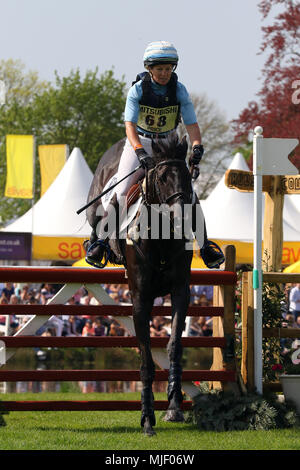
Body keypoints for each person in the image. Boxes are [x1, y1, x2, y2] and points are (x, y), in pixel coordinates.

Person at [86, 41, 225, 270]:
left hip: (168, 144)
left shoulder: (179, 90)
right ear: (149, 69)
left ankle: (205, 245)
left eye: (169, 69)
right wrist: (139, 151)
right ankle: (102, 241)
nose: (164, 73)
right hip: (140, 142)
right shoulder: (138, 90)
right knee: (122, 190)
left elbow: (192, 124)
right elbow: (129, 125)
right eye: (160, 69)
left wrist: (197, 146)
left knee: (187, 192)